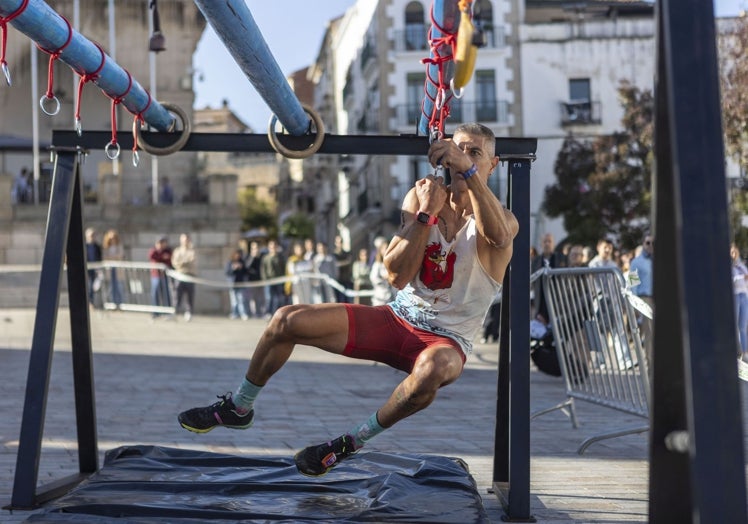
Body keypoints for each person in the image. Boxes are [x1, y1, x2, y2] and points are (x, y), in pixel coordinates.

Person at [177, 122, 518, 477]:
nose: (462, 158)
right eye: (458, 149)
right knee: (284, 320)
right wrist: (425, 216)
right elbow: (396, 275)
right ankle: (239, 406)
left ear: (492, 165)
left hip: (445, 341)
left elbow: (497, 235)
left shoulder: (504, 220)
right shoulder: (422, 196)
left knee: (433, 370)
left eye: (474, 152)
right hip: (396, 320)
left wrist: (468, 170)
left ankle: (349, 443)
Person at [531, 233, 566, 324]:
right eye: (545, 241)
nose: (547, 244)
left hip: (558, 301)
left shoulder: (561, 259)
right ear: (541, 244)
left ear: (553, 244)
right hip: (541, 301)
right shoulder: (536, 261)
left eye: (549, 241)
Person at [629, 234, 654, 362]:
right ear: (643, 244)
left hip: (659, 299)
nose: (651, 246)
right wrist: (635, 304)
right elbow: (633, 284)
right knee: (649, 333)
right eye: (648, 243)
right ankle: (650, 366)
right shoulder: (636, 262)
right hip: (645, 299)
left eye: (653, 243)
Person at [172, 233, 197, 321]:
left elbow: (191, 261)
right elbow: (175, 262)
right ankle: (175, 311)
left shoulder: (192, 250)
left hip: (189, 275)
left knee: (190, 295)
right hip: (180, 275)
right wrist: (183, 262)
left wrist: (182, 262)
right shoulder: (177, 250)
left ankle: (189, 312)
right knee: (177, 294)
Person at [149, 236, 173, 318]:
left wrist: (163, 257)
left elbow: (169, 260)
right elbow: (153, 257)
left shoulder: (168, 251)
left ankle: (167, 312)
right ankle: (155, 312)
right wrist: (162, 256)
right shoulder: (154, 251)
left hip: (165, 276)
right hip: (156, 276)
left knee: (166, 294)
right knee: (155, 293)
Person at [731, 243, 748, 361]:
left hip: (744, 295)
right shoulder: (730, 266)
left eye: (733, 252)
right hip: (735, 295)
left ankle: (745, 353)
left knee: (743, 325)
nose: (732, 254)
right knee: (735, 326)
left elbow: (746, 276)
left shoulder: (741, 265)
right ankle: (737, 353)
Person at [261, 239, 286, 316]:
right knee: (269, 297)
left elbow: (283, 268)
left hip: (278, 280)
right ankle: (268, 312)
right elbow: (263, 269)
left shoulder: (280, 257)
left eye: (274, 246)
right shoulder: (265, 258)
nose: (273, 248)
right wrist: (265, 279)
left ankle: (278, 312)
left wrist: (283, 279)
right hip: (269, 281)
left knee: (279, 298)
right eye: (271, 247)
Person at [369, 238, 395, 306]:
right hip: (381, 298)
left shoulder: (393, 264)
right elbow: (373, 278)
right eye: (386, 248)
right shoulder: (378, 265)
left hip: (392, 298)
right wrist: (385, 278)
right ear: (380, 251)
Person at [102, 229, 124, 308]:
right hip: (109, 269)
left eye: (114, 237)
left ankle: (120, 304)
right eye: (111, 238)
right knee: (111, 288)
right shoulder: (106, 247)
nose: (112, 239)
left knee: (119, 287)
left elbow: (120, 256)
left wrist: (111, 257)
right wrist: (114, 257)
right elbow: (105, 257)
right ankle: (112, 304)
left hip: (117, 270)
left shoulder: (119, 246)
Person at [226, 249, 250, 320]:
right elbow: (227, 272)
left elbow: (246, 272)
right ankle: (234, 313)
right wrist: (233, 268)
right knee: (234, 300)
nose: (238, 256)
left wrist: (241, 267)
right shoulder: (230, 262)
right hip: (233, 284)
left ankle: (243, 313)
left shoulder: (242, 262)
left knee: (241, 299)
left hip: (240, 284)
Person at [245, 241, 266, 317]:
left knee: (261, 298)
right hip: (252, 281)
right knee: (253, 298)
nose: (256, 250)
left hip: (261, 281)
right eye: (254, 248)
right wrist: (253, 257)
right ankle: (255, 313)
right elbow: (247, 267)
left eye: (257, 248)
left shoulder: (262, 256)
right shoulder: (248, 257)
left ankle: (261, 312)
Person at [85, 227, 103, 307]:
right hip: (86, 268)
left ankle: (90, 302)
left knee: (92, 285)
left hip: (94, 269)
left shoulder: (97, 246)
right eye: (91, 235)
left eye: (93, 235)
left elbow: (99, 257)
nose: (92, 237)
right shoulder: (84, 246)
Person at [333, 235, 353, 303]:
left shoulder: (346, 254)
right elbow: (335, 265)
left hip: (346, 281)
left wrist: (341, 263)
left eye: (341, 242)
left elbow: (349, 262)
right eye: (338, 242)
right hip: (336, 282)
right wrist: (345, 262)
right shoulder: (333, 255)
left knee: (348, 302)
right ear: (335, 243)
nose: (339, 244)